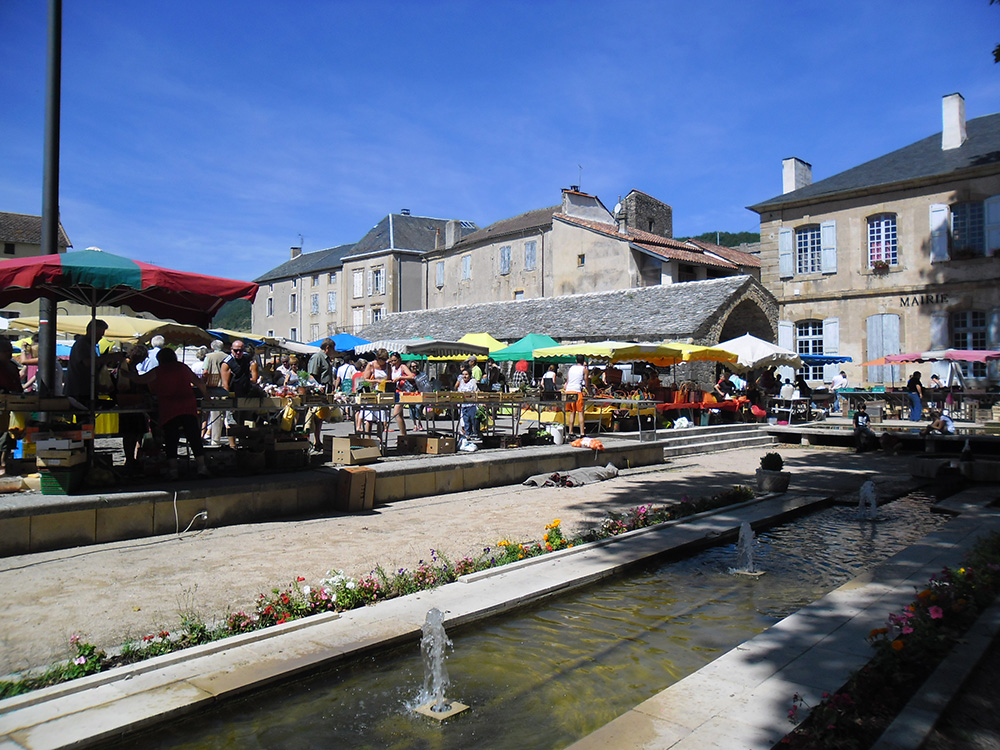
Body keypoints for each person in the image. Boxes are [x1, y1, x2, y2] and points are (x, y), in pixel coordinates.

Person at [125, 347, 209, 479]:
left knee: (171, 439)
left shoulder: (159, 370)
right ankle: (202, 467)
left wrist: (128, 374)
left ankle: (173, 470)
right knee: (194, 437)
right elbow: (200, 383)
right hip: (188, 405)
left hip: (169, 407)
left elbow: (141, 380)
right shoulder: (183, 367)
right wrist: (207, 397)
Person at [67, 319, 125, 406]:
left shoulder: (89, 345)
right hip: (79, 392)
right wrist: (111, 357)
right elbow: (88, 362)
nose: (100, 338)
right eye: (99, 334)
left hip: (85, 391)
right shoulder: (83, 344)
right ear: (91, 331)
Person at [116, 344, 151, 475]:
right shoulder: (125, 366)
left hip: (134, 403)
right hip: (129, 403)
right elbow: (124, 385)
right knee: (129, 433)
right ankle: (130, 458)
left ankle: (134, 458)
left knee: (137, 432)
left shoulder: (131, 366)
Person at [220, 339, 261, 449]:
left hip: (246, 394)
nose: (238, 353)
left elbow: (254, 376)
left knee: (246, 420)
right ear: (231, 350)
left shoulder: (247, 358)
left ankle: (244, 444)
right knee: (232, 422)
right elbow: (225, 385)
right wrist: (230, 400)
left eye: (241, 351)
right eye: (236, 351)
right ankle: (233, 446)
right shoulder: (227, 363)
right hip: (233, 395)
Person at [0, 338, 24, 476]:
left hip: (10, 406)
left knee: (9, 435)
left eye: (10, 351)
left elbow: (16, 386)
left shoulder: (12, 366)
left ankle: (4, 462)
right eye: (5, 351)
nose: (9, 354)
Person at [201, 340, 228, 447]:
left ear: (212, 347)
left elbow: (205, 372)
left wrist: (203, 383)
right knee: (226, 415)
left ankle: (215, 440)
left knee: (215, 414)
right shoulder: (227, 356)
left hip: (213, 387)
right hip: (226, 387)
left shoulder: (209, 356)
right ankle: (229, 439)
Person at [359, 349, 390, 437]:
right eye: (382, 360)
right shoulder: (371, 365)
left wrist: (387, 382)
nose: (383, 362)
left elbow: (389, 378)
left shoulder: (388, 366)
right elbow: (365, 379)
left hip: (383, 392)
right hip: (372, 392)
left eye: (385, 360)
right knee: (370, 418)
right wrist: (376, 381)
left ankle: (380, 438)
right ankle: (368, 438)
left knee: (381, 417)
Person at [388, 352, 416, 436]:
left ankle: (403, 435)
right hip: (395, 391)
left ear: (399, 359)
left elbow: (411, 376)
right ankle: (404, 434)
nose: (393, 362)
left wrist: (400, 377)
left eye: (395, 360)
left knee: (396, 413)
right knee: (400, 415)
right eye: (392, 361)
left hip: (403, 392)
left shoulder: (402, 367)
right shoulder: (392, 368)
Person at [564, 354, 589, 439]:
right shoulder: (584, 370)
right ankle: (582, 433)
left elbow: (567, 380)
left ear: (576, 360)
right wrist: (589, 391)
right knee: (580, 412)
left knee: (572, 412)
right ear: (584, 361)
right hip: (577, 391)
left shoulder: (571, 368)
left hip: (569, 391)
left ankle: (570, 432)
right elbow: (586, 382)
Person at [456, 366, 480, 439]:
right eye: (463, 375)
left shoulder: (473, 382)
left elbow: (477, 391)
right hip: (464, 404)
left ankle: (476, 433)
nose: (464, 376)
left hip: (472, 404)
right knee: (466, 420)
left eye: (466, 374)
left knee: (473, 419)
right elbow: (459, 391)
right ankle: (468, 433)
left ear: (470, 375)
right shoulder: (461, 382)